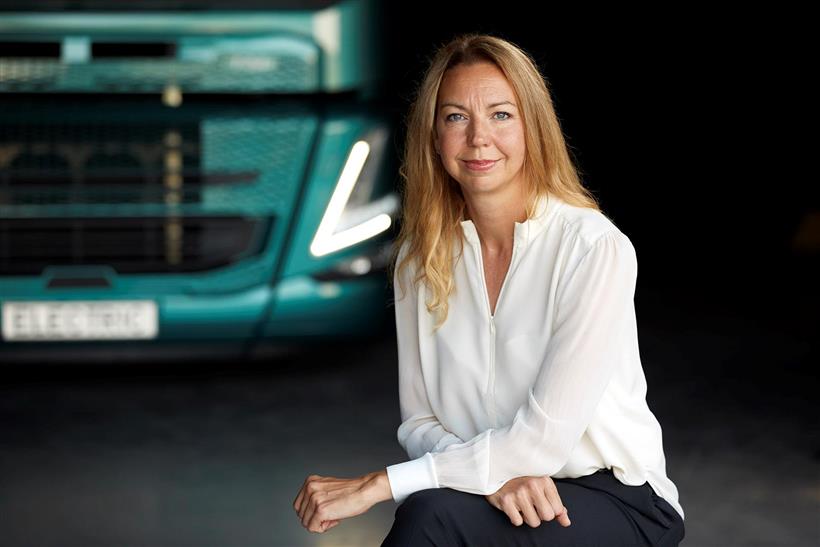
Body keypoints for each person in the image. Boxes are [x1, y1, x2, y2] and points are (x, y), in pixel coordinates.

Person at [293, 33, 686, 546]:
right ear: (435, 136)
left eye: (501, 115)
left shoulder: (592, 247)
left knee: (430, 517)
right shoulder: (419, 259)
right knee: (434, 510)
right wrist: (492, 476)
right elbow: (419, 422)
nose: (479, 137)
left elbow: (544, 441)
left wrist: (379, 485)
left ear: (532, 128)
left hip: (618, 498)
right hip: (498, 493)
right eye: (456, 117)